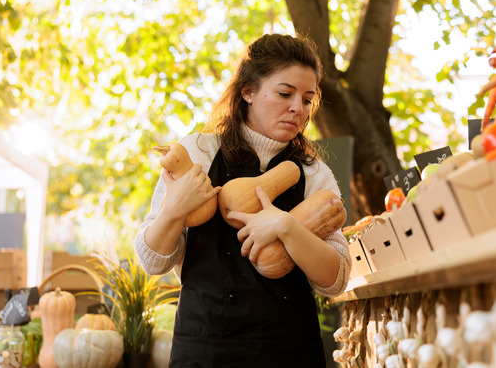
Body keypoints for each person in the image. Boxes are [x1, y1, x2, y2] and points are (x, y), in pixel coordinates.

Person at [134, 33, 350, 367]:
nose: (298, 108)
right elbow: (153, 262)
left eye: (307, 99)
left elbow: (335, 279)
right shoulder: (197, 152)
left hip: (289, 351)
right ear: (248, 91)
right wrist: (174, 210)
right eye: (284, 93)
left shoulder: (314, 173)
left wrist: (287, 227)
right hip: (205, 349)